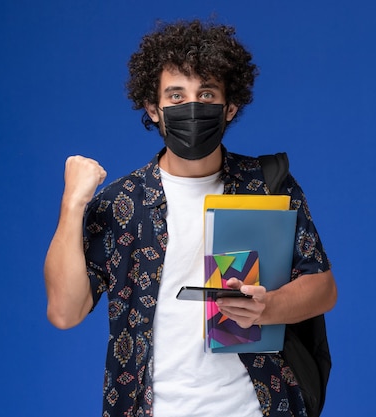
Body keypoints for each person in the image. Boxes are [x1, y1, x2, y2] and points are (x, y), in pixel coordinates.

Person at [44, 19, 337, 417]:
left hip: (258, 407)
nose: (193, 107)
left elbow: (323, 288)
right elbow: (65, 311)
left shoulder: (267, 185)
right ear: (153, 108)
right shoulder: (120, 204)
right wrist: (72, 205)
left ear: (229, 107)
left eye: (207, 94)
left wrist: (267, 307)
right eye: (176, 96)